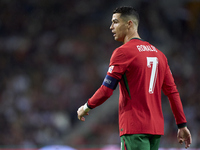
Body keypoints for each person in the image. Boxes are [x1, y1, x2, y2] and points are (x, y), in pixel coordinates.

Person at [77, 6, 192, 150]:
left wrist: (86, 107)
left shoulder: (122, 53)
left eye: (115, 22)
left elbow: (106, 90)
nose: (111, 26)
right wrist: (182, 125)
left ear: (129, 24)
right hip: (155, 130)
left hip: (134, 128)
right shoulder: (159, 55)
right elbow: (172, 93)